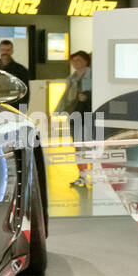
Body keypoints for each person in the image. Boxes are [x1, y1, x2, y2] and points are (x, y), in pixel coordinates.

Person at [57, 51, 94, 187]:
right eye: (73, 61)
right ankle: (82, 176)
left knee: (89, 145)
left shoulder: (92, 75)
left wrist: (88, 96)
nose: (75, 63)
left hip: (89, 113)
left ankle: (92, 175)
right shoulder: (71, 78)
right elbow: (65, 97)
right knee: (78, 146)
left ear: (85, 61)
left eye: (78, 60)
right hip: (74, 114)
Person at [0, 39, 30, 109]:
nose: (5, 52)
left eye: (8, 50)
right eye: (3, 50)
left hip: (13, 109)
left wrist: (22, 114)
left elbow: (25, 96)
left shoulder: (21, 70)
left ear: (12, 51)